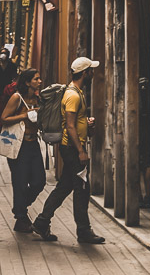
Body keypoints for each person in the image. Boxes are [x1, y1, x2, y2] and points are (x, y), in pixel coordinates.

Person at [33, 57, 106, 245]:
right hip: (72, 148)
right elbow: (71, 126)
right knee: (82, 188)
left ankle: (42, 221)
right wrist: (81, 151)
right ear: (84, 73)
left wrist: (86, 123)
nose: (93, 73)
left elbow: (75, 123)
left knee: (65, 186)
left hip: (70, 147)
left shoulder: (76, 92)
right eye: (91, 70)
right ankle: (83, 231)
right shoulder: (73, 95)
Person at [0, 68, 46, 232]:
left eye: (39, 79)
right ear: (27, 82)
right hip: (18, 146)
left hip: (33, 144)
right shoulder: (16, 98)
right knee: (20, 183)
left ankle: (19, 208)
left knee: (39, 181)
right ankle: (21, 217)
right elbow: (4, 118)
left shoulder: (38, 98)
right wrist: (25, 115)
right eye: (36, 79)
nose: (39, 82)